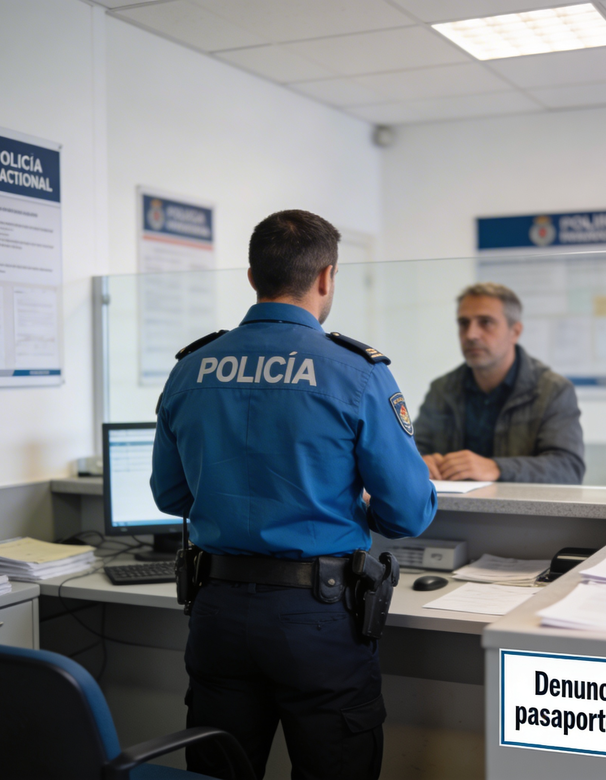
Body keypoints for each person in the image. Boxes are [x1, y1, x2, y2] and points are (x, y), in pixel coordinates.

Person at [150, 209, 437, 780]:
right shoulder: (358, 372)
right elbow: (407, 512)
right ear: (326, 276)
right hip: (319, 618)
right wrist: (348, 506)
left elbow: (171, 495)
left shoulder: (192, 368)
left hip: (217, 612)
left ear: (252, 276)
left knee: (218, 771)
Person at [414, 282, 585, 484]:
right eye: (463, 323)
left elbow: (568, 468)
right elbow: (413, 448)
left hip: (518, 505)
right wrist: (420, 461)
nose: (470, 334)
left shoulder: (553, 390)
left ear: (515, 332)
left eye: (486, 322)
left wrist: (496, 468)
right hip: (452, 504)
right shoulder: (442, 389)